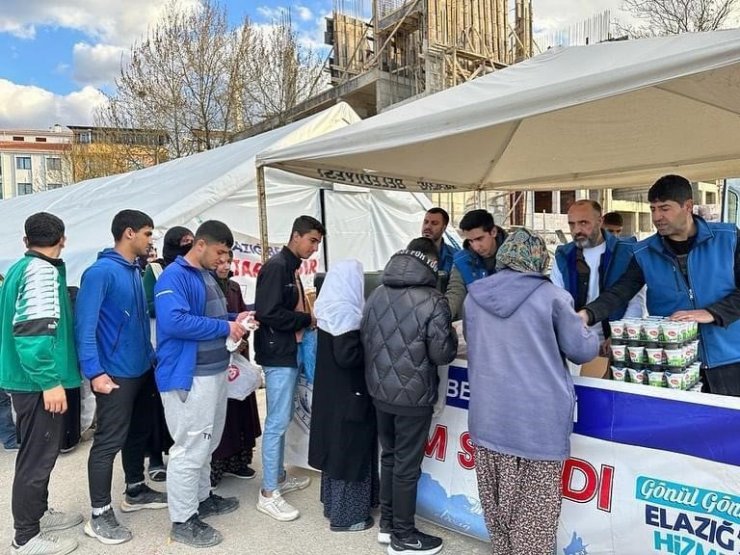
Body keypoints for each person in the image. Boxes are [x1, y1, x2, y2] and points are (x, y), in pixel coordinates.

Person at [464, 228, 598, 555]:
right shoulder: (552, 297)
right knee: (534, 520)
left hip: (488, 420)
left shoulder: (473, 297)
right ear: (539, 260)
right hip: (536, 425)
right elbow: (581, 351)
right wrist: (589, 330)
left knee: (498, 514)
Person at [580, 175, 740, 397]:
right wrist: (587, 314)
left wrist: (710, 313)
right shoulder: (644, 252)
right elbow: (619, 292)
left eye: (664, 208)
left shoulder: (728, 239)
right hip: (673, 368)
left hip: (731, 360)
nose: (657, 217)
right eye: (653, 209)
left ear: (688, 206)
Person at [75, 210, 167, 545]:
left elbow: (137, 320)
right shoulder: (100, 273)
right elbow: (83, 327)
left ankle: (135, 489)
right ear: (129, 234)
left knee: (139, 432)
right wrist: (95, 372)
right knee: (108, 442)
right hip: (113, 373)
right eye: (147, 233)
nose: (150, 240)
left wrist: (151, 358)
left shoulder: (134, 271)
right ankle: (99, 514)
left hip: (141, 368)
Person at [362, 237, 458, 555]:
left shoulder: (376, 293)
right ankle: (404, 536)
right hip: (413, 397)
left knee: (389, 457)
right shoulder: (434, 300)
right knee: (406, 465)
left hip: (380, 392)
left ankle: (389, 526)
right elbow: (441, 353)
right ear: (431, 264)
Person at [155, 220, 246, 548]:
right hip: (188, 376)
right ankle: (182, 519)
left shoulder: (204, 276)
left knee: (206, 443)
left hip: (213, 372)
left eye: (227, 254)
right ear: (201, 244)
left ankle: (202, 498)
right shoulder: (174, 277)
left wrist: (237, 321)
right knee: (188, 448)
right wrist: (225, 329)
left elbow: (212, 320)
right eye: (220, 251)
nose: (223, 260)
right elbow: (173, 321)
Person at [0, 212, 83, 555]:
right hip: (35, 382)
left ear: (25, 241)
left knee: (38, 455)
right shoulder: (41, 272)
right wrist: (50, 381)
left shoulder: (21, 267)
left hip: (26, 378)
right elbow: (33, 334)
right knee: (37, 457)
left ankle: (39, 514)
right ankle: (26, 536)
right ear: (62, 239)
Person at [253, 215, 324, 521]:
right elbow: (268, 313)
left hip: (289, 352)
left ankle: (278, 476)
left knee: (283, 420)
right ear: (296, 236)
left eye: (318, 242)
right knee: (277, 422)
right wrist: (305, 320)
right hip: (277, 354)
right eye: (312, 240)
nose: (315, 247)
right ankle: (268, 493)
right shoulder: (276, 267)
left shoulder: (291, 266)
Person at [308, 259, 378, 532]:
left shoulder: (327, 308)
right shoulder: (346, 314)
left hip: (331, 394)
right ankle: (347, 517)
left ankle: (333, 505)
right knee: (351, 453)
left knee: (336, 451)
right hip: (351, 393)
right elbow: (348, 356)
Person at [551, 200, 645, 347]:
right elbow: (557, 303)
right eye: (572, 224)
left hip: (617, 342)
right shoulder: (563, 257)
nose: (576, 230)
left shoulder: (626, 252)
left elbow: (636, 302)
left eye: (583, 223)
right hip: (576, 341)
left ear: (600, 221)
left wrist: (620, 335)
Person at [142, 226, 194, 482]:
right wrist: (172, 304)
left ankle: (180, 455)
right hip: (160, 344)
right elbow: (147, 303)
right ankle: (154, 458)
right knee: (157, 404)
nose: (189, 247)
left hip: (185, 346)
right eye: (184, 243)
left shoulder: (193, 270)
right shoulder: (155, 269)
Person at [210, 250, 262, 486]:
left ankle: (239, 461)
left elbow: (241, 319)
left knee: (240, 409)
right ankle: (217, 466)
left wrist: (242, 339)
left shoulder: (233, 287)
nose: (224, 266)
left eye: (228, 261)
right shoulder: (206, 288)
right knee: (221, 413)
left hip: (237, 358)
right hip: (216, 359)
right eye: (219, 261)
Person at [446, 209, 507, 320]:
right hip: (477, 324)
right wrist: (441, 317)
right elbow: (455, 292)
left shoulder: (515, 256)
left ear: (493, 232)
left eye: (479, 239)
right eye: (470, 241)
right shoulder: (461, 260)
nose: (476, 246)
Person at [421, 207, 459, 275]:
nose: (427, 227)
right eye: (426, 222)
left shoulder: (455, 256)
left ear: (443, 228)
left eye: (434, 223)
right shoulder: (410, 253)